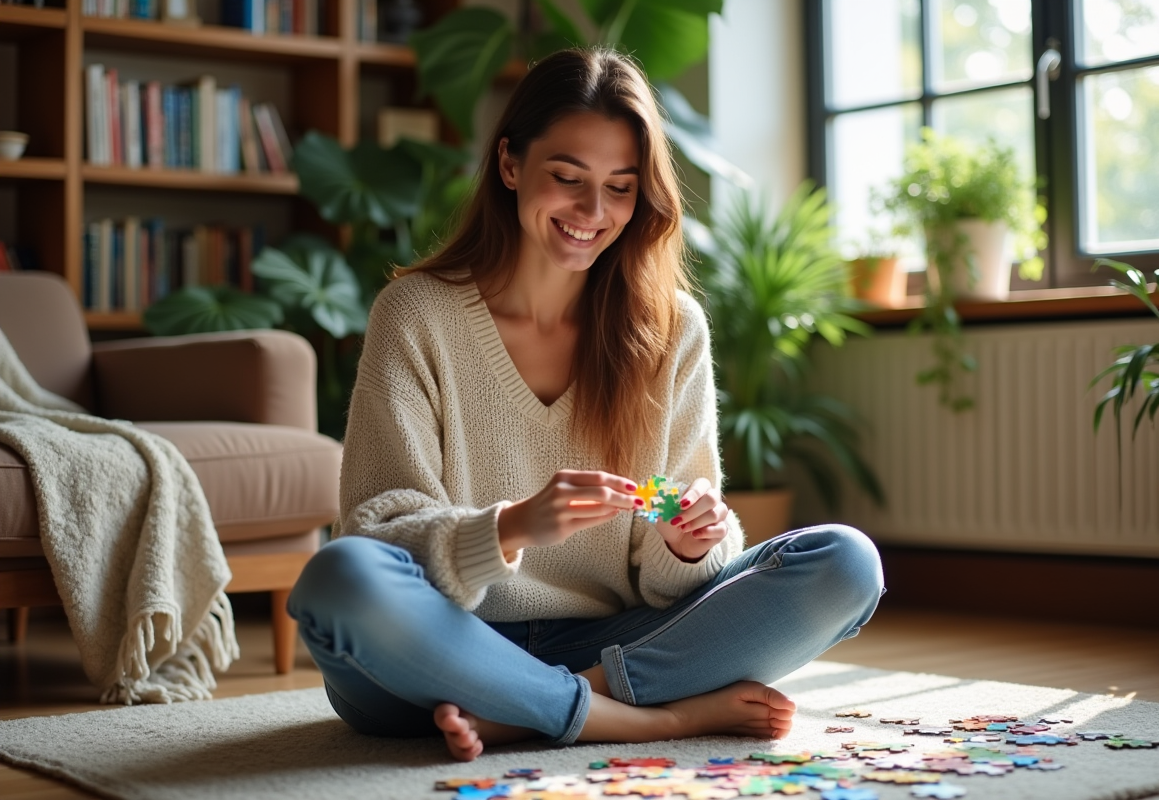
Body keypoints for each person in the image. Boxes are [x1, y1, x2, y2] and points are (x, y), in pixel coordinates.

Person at [287, 46, 884, 763]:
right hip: (435, 648)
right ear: (510, 164)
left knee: (846, 564)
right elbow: (378, 530)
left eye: (620, 188)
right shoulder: (417, 314)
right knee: (340, 577)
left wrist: (686, 543)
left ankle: (535, 709)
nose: (593, 212)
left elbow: (672, 579)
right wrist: (510, 527)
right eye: (567, 178)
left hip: (608, 640)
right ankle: (647, 718)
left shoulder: (673, 330)